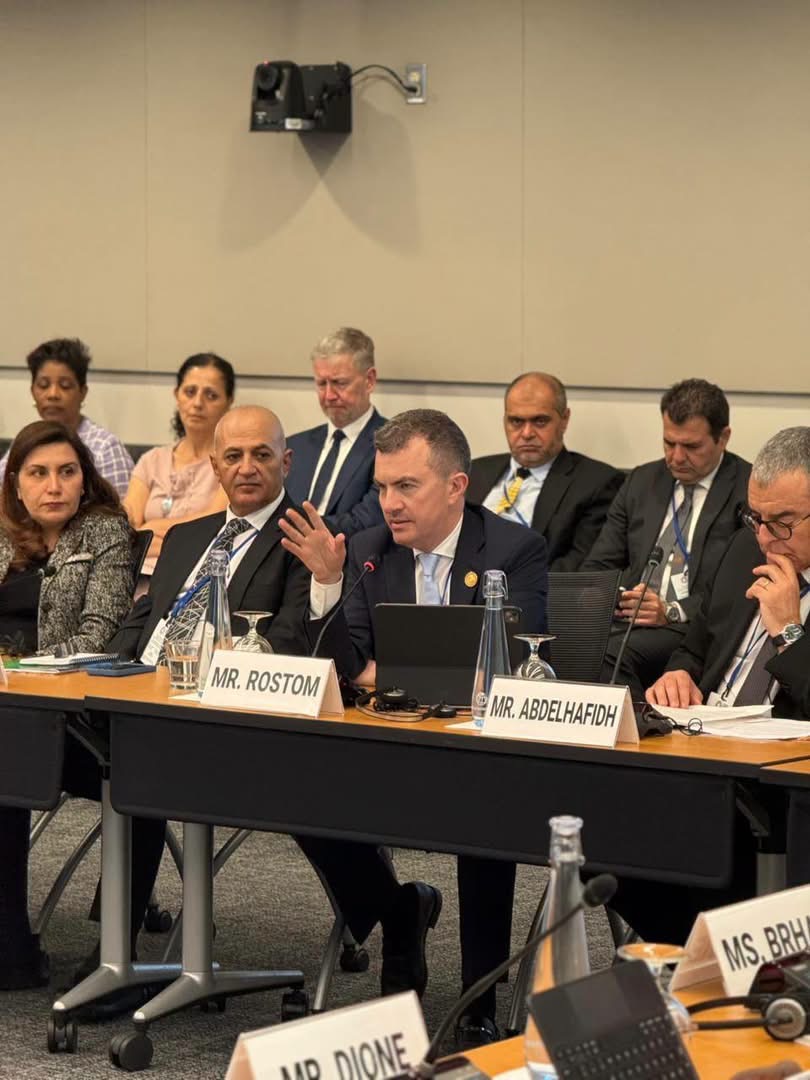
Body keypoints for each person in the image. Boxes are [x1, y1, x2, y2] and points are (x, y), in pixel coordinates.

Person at [109, 406, 441, 1003]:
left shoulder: (307, 540)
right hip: (151, 707)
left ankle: (397, 909)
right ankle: (115, 951)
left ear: (286, 463)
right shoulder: (186, 536)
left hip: (245, 726)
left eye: (261, 455)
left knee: (278, 780)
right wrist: (105, 671)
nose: (247, 467)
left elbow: (292, 645)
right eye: (233, 456)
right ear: (214, 466)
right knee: (117, 756)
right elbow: (144, 624)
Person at [279, 408, 548, 1049]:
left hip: (479, 750)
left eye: (406, 486)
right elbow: (345, 668)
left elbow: (506, 669)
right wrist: (326, 582)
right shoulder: (366, 551)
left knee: (484, 813)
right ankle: (399, 909)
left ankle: (479, 1001)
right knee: (296, 787)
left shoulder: (513, 550)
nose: (389, 504)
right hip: (386, 743)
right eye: (381, 487)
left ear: (456, 487)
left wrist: (390, 673)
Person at [0, 420, 138, 990]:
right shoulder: (3, 534)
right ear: (16, 483)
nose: (53, 485)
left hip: (75, 724)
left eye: (66, 471)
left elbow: (97, 636)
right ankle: (10, 946)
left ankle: (11, 949)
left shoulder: (105, 532)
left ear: (85, 479)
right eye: (38, 473)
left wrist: (13, 671)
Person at [582, 378, 750, 699]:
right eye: (668, 443)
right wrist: (621, 598)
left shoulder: (747, 489)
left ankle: (642, 726)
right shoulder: (642, 481)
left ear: (723, 437)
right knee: (556, 641)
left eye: (691, 447)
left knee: (609, 654)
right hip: (631, 621)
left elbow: (738, 587)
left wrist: (671, 610)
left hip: (691, 629)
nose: (676, 457)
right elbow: (599, 566)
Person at [467, 372, 623, 570]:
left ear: (564, 419)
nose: (527, 434)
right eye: (516, 421)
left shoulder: (597, 484)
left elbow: (578, 570)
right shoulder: (474, 471)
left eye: (540, 421)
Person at [123, 353, 234, 574]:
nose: (198, 403)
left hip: (197, 573)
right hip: (137, 573)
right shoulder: (151, 460)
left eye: (211, 395)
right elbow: (128, 524)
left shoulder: (231, 462)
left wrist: (152, 530)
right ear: (177, 395)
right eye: (190, 392)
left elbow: (215, 524)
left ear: (228, 402)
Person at [0, 338, 133, 497]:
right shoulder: (25, 442)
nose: (53, 394)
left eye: (65, 386)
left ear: (82, 392)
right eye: (43, 385)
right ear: (32, 391)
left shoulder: (105, 447)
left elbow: (117, 509)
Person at [285, 327, 385, 537]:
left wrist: (294, 529)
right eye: (322, 384)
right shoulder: (294, 446)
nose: (329, 395)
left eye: (340, 383)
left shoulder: (391, 446)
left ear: (369, 380)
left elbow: (366, 522)